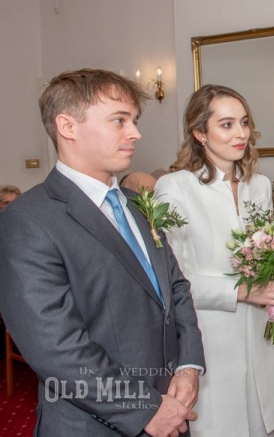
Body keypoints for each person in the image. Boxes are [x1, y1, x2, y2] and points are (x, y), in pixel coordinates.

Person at [0, 69, 205, 436]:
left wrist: (189, 365)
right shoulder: (27, 220)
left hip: (171, 406)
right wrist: (144, 410)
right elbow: (57, 348)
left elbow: (175, 288)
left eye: (134, 120)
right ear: (68, 126)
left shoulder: (136, 203)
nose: (135, 133)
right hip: (95, 423)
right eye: (119, 120)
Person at [155, 84, 274, 437]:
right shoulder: (175, 188)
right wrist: (247, 291)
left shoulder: (258, 185)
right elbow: (173, 281)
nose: (241, 133)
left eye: (244, 123)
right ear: (200, 133)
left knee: (265, 420)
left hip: (261, 335)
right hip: (210, 337)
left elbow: (264, 255)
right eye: (227, 124)